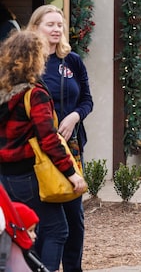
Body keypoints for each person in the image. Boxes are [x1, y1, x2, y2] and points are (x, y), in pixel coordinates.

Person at [0, 30, 87, 271]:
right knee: (58, 230)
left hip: (5, 177)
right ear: (35, 58)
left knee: (21, 231)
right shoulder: (34, 93)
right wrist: (72, 173)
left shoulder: (4, 91)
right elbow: (49, 139)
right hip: (29, 174)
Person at [26, 4, 93, 272]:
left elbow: (87, 99)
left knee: (74, 219)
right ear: (35, 28)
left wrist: (75, 116)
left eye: (59, 25)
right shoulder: (28, 65)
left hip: (72, 148)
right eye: (50, 24)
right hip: (38, 152)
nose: (56, 29)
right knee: (46, 219)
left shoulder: (72, 61)